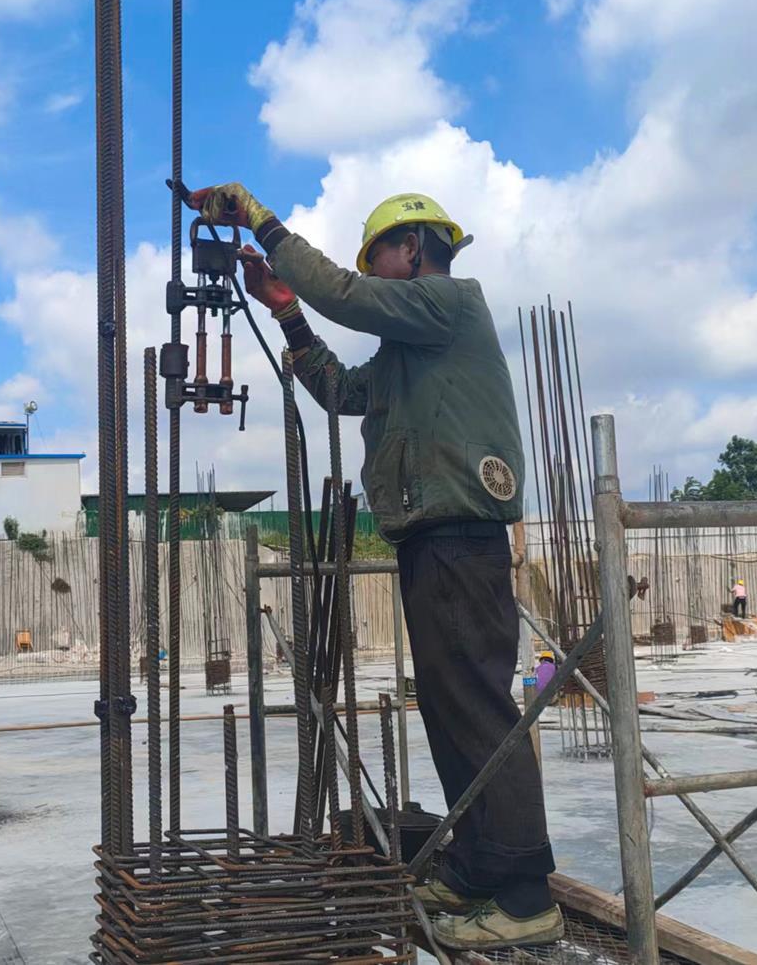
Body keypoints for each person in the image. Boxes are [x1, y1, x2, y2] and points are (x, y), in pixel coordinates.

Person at [189, 184, 562, 951]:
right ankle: (478, 869)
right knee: (449, 709)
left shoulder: (449, 303)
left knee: (477, 708)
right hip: (429, 540)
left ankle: (526, 891)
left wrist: (262, 220)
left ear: (413, 248)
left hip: (461, 536)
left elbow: (347, 296)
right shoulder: (408, 349)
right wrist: (285, 310)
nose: (369, 270)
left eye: (377, 254)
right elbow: (340, 390)